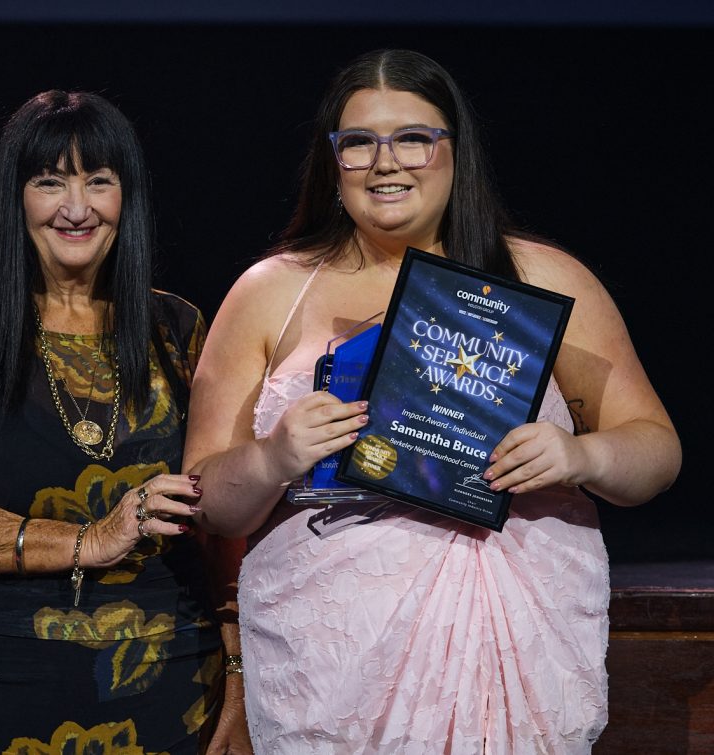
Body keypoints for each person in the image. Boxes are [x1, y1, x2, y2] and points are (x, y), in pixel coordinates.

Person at [184, 49, 681, 753]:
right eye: (359, 143)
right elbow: (206, 499)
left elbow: (657, 451)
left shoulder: (543, 277)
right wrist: (274, 456)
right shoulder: (270, 291)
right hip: (330, 661)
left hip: (511, 642)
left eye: (414, 137)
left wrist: (582, 452)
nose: (387, 162)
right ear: (333, 164)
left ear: (456, 152)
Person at [0, 90, 249, 754]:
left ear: (125, 198)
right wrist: (91, 539)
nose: (76, 207)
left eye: (98, 182)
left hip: (165, 676)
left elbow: (220, 526)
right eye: (50, 182)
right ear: (16, 197)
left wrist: (242, 675)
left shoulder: (178, 330)